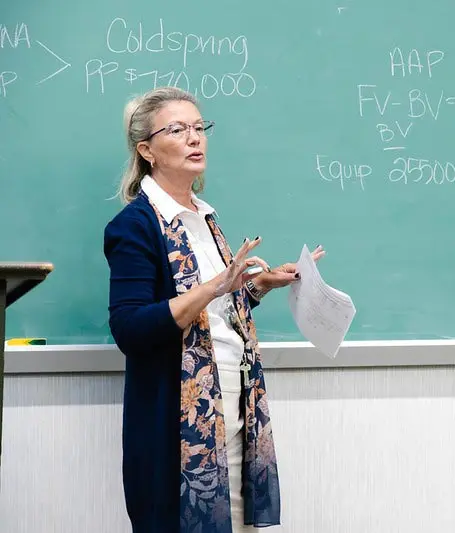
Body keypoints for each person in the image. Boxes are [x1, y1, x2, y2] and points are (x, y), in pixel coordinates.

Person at [103, 86, 324, 532]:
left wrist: (257, 284)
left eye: (199, 127)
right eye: (178, 129)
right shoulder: (136, 225)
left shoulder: (204, 217)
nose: (194, 138)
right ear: (147, 150)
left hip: (234, 406)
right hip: (178, 424)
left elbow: (213, 313)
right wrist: (213, 287)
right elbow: (130, 329)